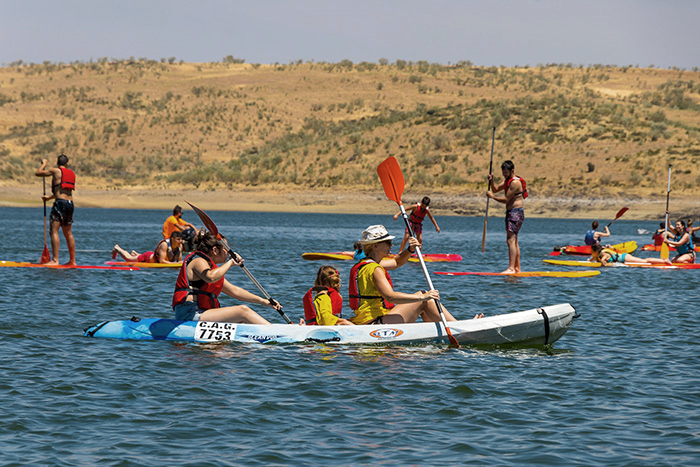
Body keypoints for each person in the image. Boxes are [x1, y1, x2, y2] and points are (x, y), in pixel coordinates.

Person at [348, 225, 468, 325]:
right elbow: (390, 297)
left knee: (424, 305)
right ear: (375, 246)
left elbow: (397, 261)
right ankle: (459, 327)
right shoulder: (376, 269)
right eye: (388, 242)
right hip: (375, 324)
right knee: (424, 299)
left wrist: (410, 249)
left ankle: (439, 333)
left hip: (369, 321)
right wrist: (423, 297)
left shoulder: (364, 265)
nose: (391, 245)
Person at [172, 230, 282, 323]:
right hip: (190, 314)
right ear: (215, 250)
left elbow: (234, 291)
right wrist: (230, 263)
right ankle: (277, 334)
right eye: (226, 249)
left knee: (241, 323)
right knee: (242, 311)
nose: (229, 253)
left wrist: (263, 301)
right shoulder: (198, 261)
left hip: (203, 313)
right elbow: (210, 277)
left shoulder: (214, 271)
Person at [486, 160, 527, 274]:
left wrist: (492, 197)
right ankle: (517, 268)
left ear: (512, 170)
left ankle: (511, 268)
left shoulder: (515, 183)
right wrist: (492, 181)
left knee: (510, 240)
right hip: (512, 212)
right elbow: (495, 189)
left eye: (506, 172)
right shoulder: (507, 181)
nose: (504, 175)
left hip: (515, 213)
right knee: (514, 241)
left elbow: (506, 200)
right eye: (503, 172)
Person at [35, 154, 76, 266]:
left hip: (60, 204)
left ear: (58, 164)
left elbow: (38, 173)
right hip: (70, 204)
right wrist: (49, 197)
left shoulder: (55, 171)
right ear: (67, 163)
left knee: (53, 231)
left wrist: (44, 164)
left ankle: (55, 260)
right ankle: (72, 261)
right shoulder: (71, 173)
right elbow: (62, 192)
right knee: (68, 233)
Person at [112, 231, 184, 263]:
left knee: (135, 257)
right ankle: (117, 248)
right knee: (129, 259)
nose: (180, 241)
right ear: (172, 239)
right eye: (178, 239)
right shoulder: (164, 245)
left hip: (153, 256)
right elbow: (162, 261)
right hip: (147, 258)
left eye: (181, 239)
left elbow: (179, 261)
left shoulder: (180, 246)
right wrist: (175, 264)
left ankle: (136, 254)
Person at [591, 243, 671, 266]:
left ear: (595, 250)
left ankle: (664, 261)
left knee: (645, 261)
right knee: (644, 261)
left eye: (592, 251)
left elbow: (605, 256)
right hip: (624, 257)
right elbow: (594, 258)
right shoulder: (599, 254)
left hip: (624, 258)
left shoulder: (602, 253)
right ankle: (663, 260)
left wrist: (602, 260)